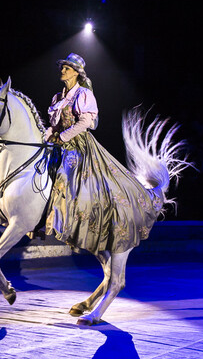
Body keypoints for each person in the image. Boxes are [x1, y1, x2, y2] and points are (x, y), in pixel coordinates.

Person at [44, 53, 163, 254]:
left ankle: (67, 224)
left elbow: (84, 123)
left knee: (66, 175)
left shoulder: (83, 94)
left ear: (76, 73)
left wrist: (62, 137)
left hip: (78, 144)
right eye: (62, 67)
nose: (62, 71)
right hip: (59, 142)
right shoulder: (58, 97)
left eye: (66, 68)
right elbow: (53, 125)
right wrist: (46, 136)